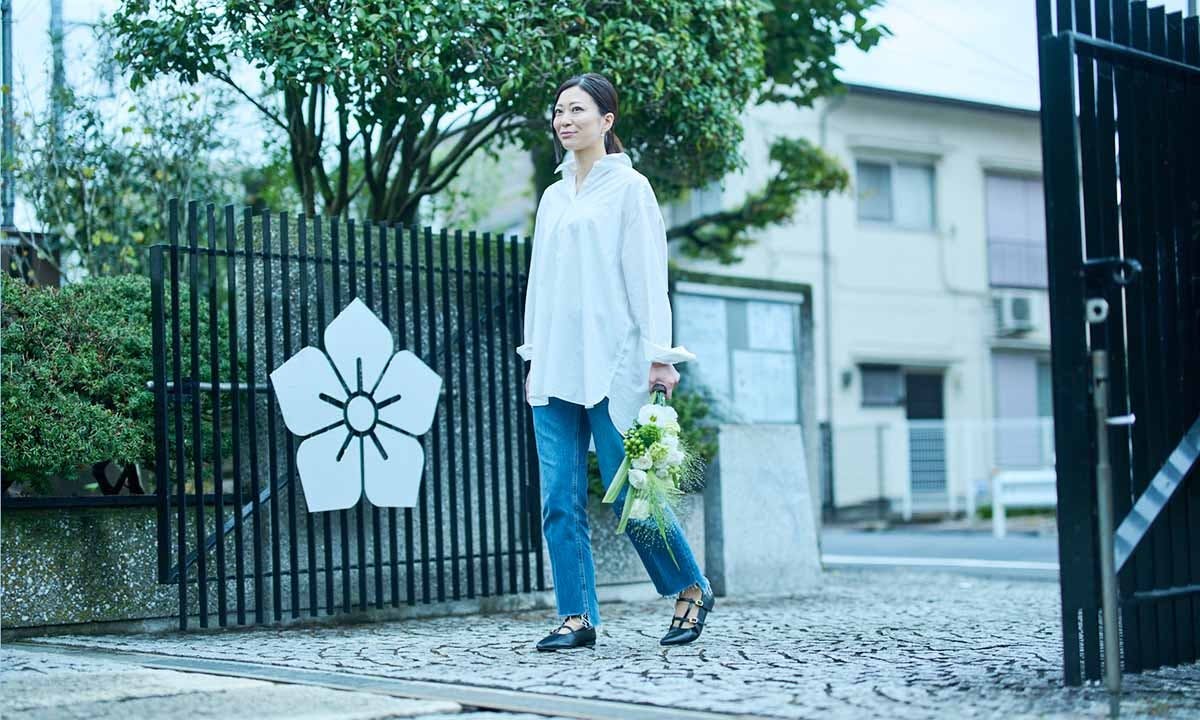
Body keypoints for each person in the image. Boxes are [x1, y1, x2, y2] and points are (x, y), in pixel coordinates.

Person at [517, 73, 714, 651]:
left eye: (577, 110)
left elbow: (648, 277)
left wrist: (660, 357)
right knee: (558, 500)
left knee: (635, 492)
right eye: (559, 110)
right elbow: (539, 283)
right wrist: (533, 355)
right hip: (555, 364)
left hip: (613, 363)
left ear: (606, 121)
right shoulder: (553, 197)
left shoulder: (631, 189)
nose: (564, 120)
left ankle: (690, 586)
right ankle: (577, 616)